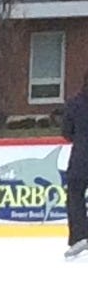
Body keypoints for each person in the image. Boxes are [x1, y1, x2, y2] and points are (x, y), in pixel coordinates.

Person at [61, 76, 85, 259]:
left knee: (75, 196)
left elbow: (67, 133)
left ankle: (79, 236)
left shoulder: (74, 104)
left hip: (81, 159)